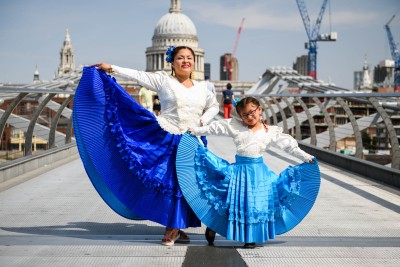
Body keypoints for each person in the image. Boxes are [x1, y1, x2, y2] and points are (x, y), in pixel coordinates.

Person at [73, 45, 219, 246]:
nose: (185, 61)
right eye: (180, 58)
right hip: (167, 136)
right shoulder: (163, 80)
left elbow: (214, 106)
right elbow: (138, 76)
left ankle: (177, 225)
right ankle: (173, 227)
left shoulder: (203, 89)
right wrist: (111, 68)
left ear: (195, 61)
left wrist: (204, 120)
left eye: (189, 58)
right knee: (172, 182)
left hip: (193, 140)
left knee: (188, 184)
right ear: (172, 62)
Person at [177, 96, 320, 249]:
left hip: (259, 174)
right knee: (226, 199)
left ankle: (250, 237)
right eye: (245, 115)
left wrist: (305, 156)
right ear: (240, 116)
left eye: (252, 112)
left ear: (260, 110)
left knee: (255, 204)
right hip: (238, 171)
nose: (250, 117)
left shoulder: (270, 131)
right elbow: (215, 128)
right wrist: (196, 131)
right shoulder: (235, 126)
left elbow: (289, 146)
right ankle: (214, 225)